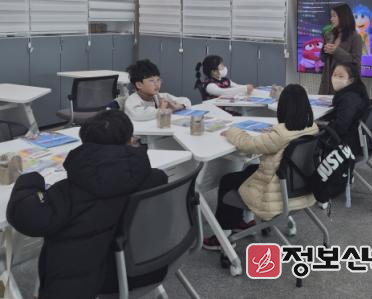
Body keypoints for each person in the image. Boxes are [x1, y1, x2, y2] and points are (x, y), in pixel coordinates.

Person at [7, 110, 168, 299]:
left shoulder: (68, 192)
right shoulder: (155, 178)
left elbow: (26, 217)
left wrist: (29, 180)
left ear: (85, 144)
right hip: (148, 267)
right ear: (130, 140)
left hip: (90, 283)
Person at [202, 84, 319, 250]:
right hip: (300, 187)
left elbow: (247, 144)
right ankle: (243, 222)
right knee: (249, 170)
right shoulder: (312, 127)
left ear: (283, 107)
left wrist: (231, 131)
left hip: (274, 194)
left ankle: (223, 237)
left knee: (228, 180)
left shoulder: (280, 134)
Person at [325, 63, 370, 157]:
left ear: (351, 80)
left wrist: (322, 126)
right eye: (334, 75)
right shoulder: (353, 92)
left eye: (341, 76)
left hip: (347, 145)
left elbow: (340, 127)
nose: (336, 78)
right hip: (354, 140)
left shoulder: (349, 98)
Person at [124, 59, 191, 121]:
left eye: (158, 80)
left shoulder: (160, 96)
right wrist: (161, 110)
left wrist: (178, 106)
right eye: (151, 81)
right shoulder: (132, 100)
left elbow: (186, 101)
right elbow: (137, 115)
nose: (157, 84)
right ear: (139, 85)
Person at [319, 3, 363, 95]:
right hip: (326, 85)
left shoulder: (355, 37)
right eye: (331, 16)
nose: (331, 19)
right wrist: (324, 50)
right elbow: (323, 59)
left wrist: (337, 51)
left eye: (334, 16)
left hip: (345, 87)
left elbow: (356, 63)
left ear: (343, 17)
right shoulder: (328, 35)